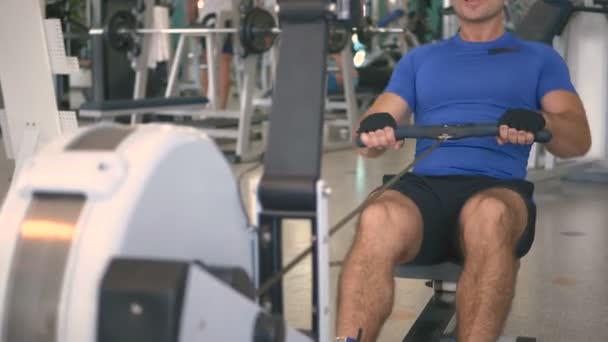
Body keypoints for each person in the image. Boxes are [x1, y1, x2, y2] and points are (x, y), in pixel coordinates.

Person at [335, 0, 591, 342]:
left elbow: (578, 140)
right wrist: (376, 130)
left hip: (497, 188)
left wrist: (541, 120)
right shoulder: (420, 59)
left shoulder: (540, 58)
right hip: (424, 190)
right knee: (377, 216)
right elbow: (367, 140)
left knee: (489, 214)